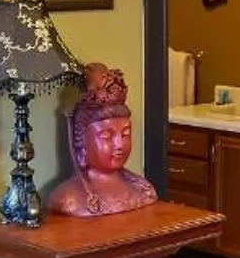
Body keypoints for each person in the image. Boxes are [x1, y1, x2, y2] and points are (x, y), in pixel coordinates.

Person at [47, 63, 158, 218]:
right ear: (81, 141)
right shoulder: (68, 198)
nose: (119, 144)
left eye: (125, 134)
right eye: (106, 136)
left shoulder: (143, 190)